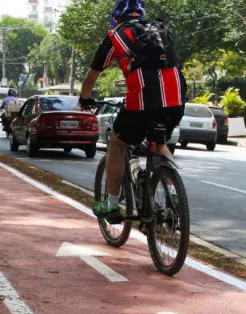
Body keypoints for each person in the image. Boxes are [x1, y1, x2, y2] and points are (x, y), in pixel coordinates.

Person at [79, 0, 187, 224]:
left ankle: (111, 205)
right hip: (175, 100)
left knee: (117, 145)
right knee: (160, 141)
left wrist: (85, 98)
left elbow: (92, 75)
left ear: (116, 18)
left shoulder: (115, 35)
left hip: (141, 103)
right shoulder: (158, 29)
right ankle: (174, 196)